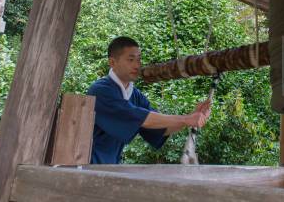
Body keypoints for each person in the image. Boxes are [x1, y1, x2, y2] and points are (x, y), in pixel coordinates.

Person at [88, 36, 211, 164]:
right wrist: (186, 119)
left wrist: (191, 118)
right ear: (112, 62)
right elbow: (141, 118)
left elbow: (159, 129)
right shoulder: (100, 91)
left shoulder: (135, 95)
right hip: (87, 165)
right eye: (131, 60)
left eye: (139, 59)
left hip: (109, 168)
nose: (137, 65)